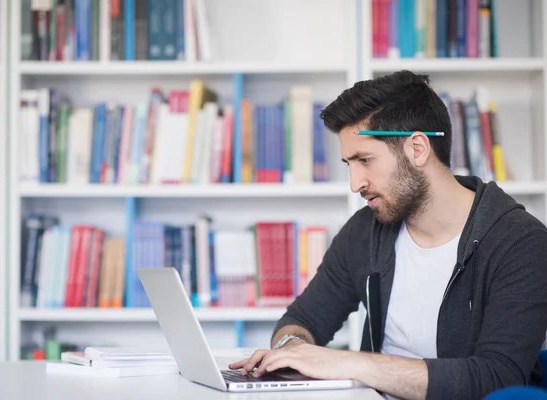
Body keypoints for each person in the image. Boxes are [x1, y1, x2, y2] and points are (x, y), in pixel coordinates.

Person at [228, 70, 547, 399]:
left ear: (418, 148)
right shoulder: (365, 230)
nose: (355, 183)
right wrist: (292, 349)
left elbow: (497, 379)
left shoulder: (521, 243)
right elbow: (302, 318)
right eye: (349, 163)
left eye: (364, 160)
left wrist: (353, 364)